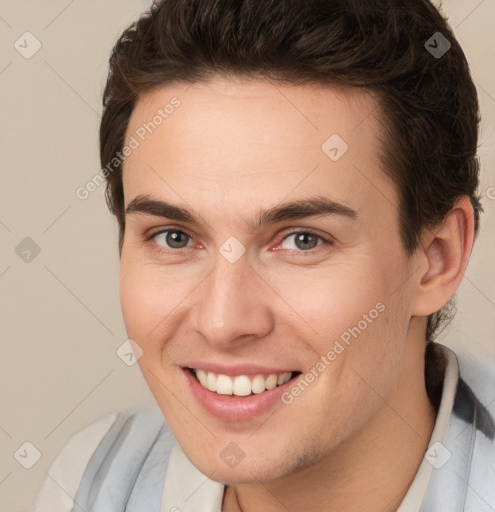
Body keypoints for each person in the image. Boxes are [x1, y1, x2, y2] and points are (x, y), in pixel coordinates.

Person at [32, 0, 495, 511]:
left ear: (437, 257)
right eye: (175, 237)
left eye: (302, 240)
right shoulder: (94, 483)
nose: (223, 322)